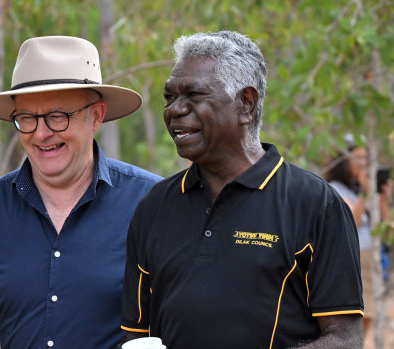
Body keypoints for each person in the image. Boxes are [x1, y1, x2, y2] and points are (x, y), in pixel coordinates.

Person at [120, 31, 364, 348]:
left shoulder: (315, 204)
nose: (175, 110)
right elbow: (137, 336)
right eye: (169, 97)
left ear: (246, 104)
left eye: (194, 95)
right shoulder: (153, 206)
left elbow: (346, 339)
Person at [0, 36, 161, 349]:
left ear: (95, 116)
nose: (41, 134)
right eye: (27, 118)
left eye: (57, 116)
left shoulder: (151, 203)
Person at [323, 135, 392, 341]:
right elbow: (350, 223)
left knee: (368, 315)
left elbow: (386, 230)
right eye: (358, 158)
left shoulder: (360, 188)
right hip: (354, 258)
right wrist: (363, 194)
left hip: (372, 258)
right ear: (344, 161)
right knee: (356, 317)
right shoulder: (335, 187)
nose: (363, 163)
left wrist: (381, 198)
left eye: (366, 158)